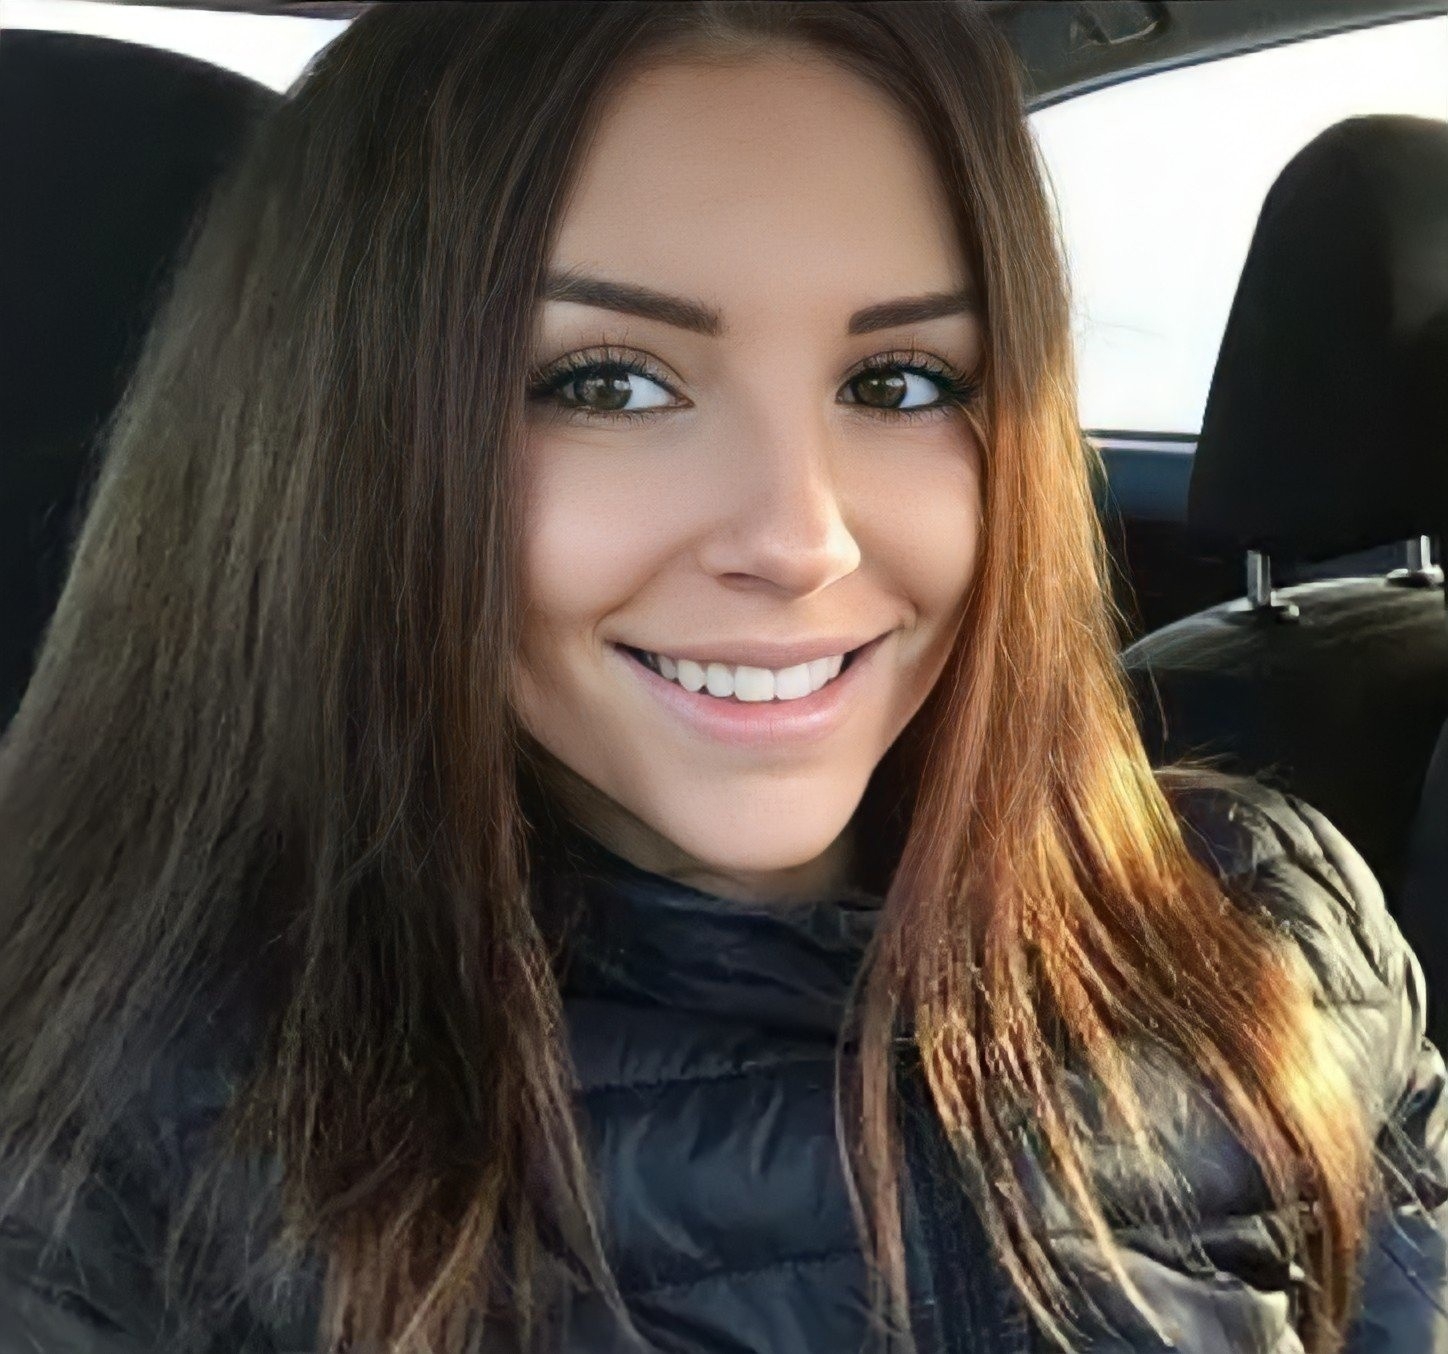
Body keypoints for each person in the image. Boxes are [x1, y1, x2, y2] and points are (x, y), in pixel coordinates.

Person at [0, 3, 1443, 1352]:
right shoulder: (114, 1136)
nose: (802, 539)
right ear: (343, 447)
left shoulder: (1277, 928)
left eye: (900, 382)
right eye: (609, 383)